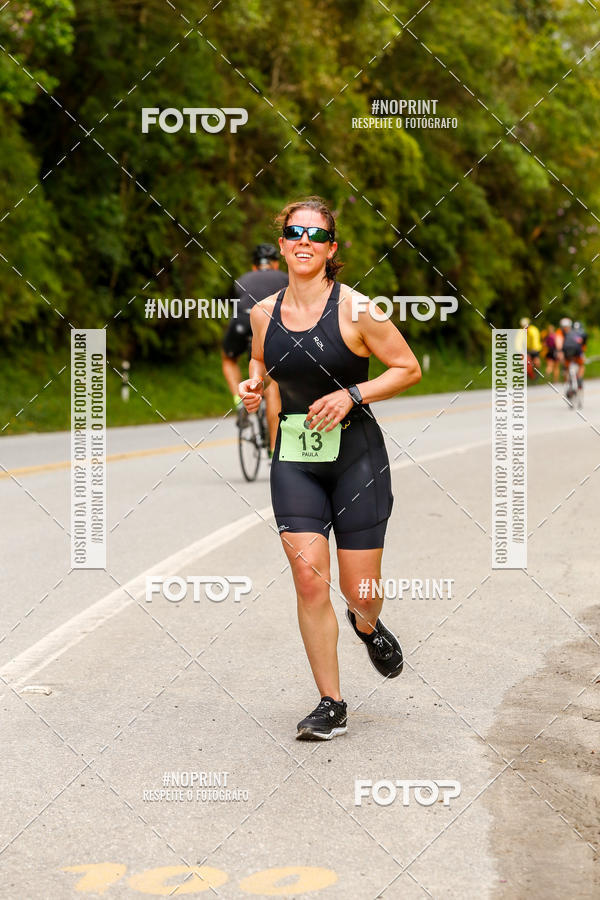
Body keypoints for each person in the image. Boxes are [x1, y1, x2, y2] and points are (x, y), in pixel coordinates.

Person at [239, 197, 421, 740]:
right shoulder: (262, 312)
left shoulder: (360, 310)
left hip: (356, 457)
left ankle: (366, 625)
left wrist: (352, 394)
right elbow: (261, 362)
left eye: (315, 235)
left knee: (358, 589)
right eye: (294, 232)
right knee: (308, 579)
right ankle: (331, 702)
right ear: (282, 243)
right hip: (295, 455)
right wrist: (254, 385)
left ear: (330, 248)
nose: (303, 241)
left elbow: (407, 368)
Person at [221, 244, 288, 454]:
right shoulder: (285, 277)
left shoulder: (242, 278)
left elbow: (232, 304)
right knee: (273, 385)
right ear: (276, 263)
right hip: (271, 324)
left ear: (254, 265)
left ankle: (239, 400)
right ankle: (273, 448)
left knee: (228, 359)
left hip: (242, 322)